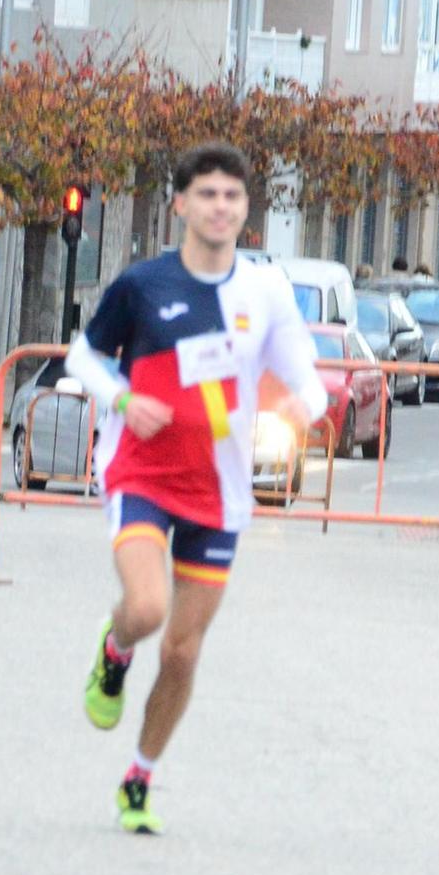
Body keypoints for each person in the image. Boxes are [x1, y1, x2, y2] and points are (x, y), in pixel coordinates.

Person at [67, 141, 326, 834]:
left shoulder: (264, 290)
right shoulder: (143, 285)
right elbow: (82, 356)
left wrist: (304, 405)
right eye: (206, 194)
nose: (220, 207)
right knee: (146, 608)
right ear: (180, 204)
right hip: (141, 472)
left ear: (247, 210)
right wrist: (122, 401)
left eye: (232, 196)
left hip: (219, 489)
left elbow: (307, 375)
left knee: (182, 650)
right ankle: (114, 649)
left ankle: (139, 778)